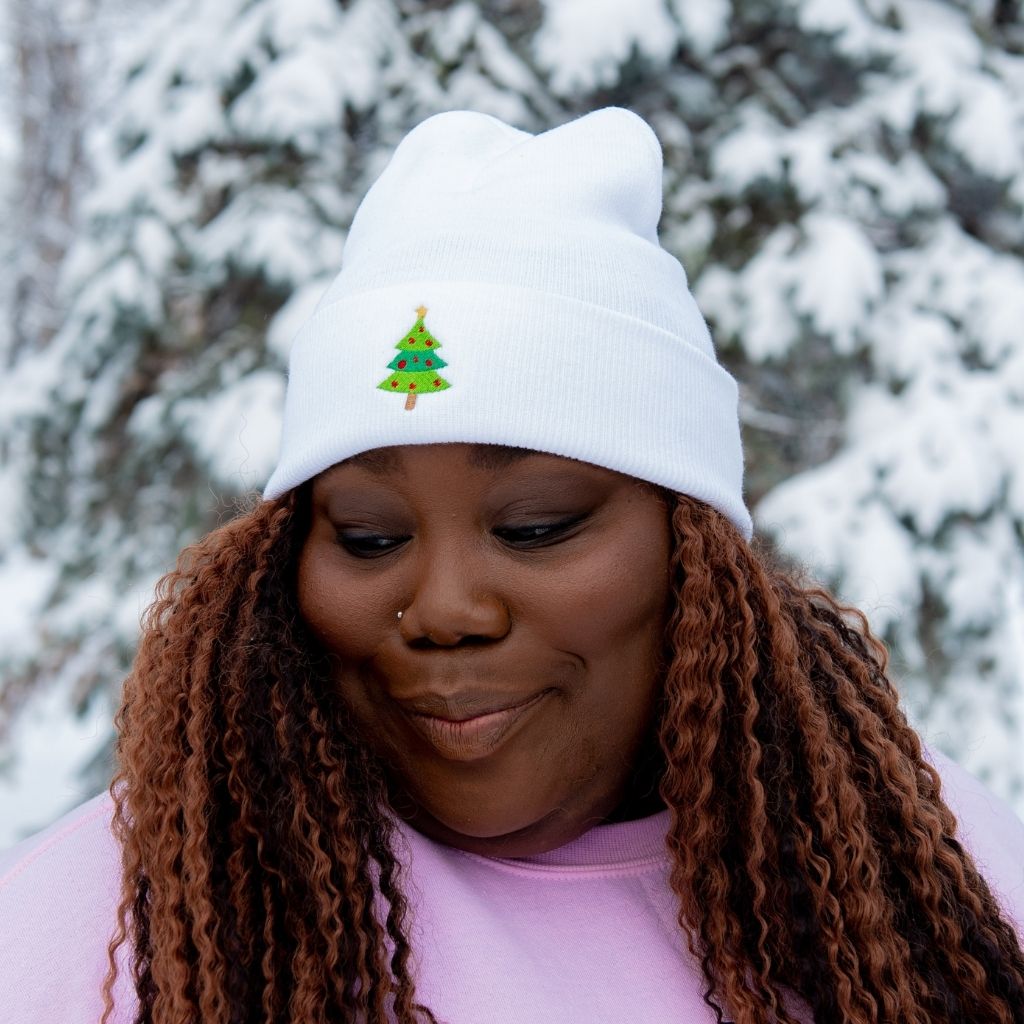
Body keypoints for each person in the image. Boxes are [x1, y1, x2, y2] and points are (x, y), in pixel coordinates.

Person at [1, 107, 1023, 1024]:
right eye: (367, 535)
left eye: (536, 526)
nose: (445, 607)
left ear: (693, 554)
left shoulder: (934, 884)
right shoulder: (117, 917)